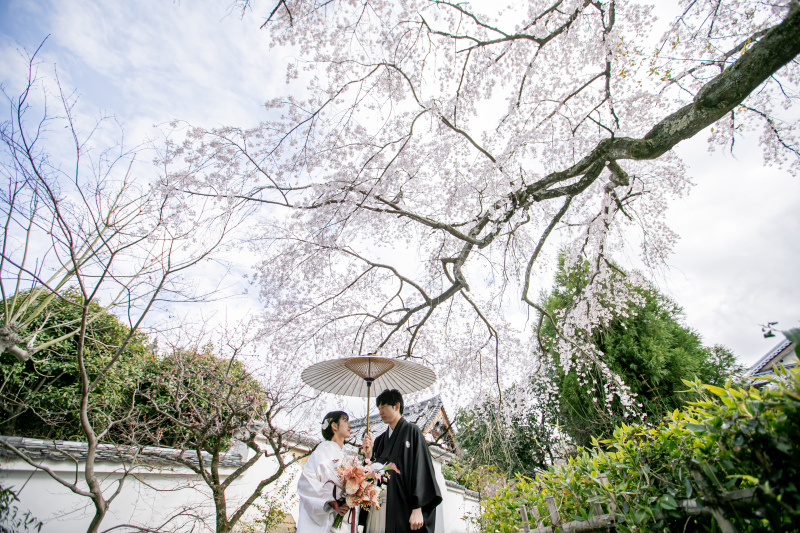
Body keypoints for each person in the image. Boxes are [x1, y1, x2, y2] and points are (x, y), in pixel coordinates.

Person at [362, 389, 442, 533]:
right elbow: (371, 476)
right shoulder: (379, 441)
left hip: (404, 507)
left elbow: (421, 469)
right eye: (379, 408)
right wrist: (368, 456)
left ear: (397, 406)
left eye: (384, 407)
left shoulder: (412, 432)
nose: (380, 411)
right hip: (379, 508)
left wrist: (417, 507)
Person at [297, 411, 355, 533]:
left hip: (342, 517)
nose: (349, 425)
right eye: (345, 421)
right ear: (334, 426)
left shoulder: (346, 456)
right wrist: (332, 503)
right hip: (325, 518)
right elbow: (306, 483)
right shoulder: (322, 451)